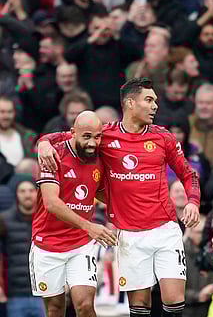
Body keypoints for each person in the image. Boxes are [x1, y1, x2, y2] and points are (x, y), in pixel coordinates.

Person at [38, 77, 201, 317]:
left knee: (174, 300)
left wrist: (193, 202)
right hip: (128, 233)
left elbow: (189, 174)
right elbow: (66, 137)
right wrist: (43, 143)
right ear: (130, 103)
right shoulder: (104, 135)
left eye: (155, 100)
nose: (155, 106)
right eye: (149, 100)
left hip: (165, 229)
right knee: (140, 305)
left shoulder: (163, 137)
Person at [31, 111, 117, 317]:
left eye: (97, 137)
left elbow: (101, 192)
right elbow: (52, 203)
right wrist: (89, 226)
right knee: (55, 309)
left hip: (81, 244)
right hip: (47, 244)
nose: (93, 143)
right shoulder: (53, 155)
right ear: (72, 133)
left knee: (85, 306)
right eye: (86, 136)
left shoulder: (99, 156)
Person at [0, 179, 45, 317]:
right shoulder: (4, 220)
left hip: (44, 292)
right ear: (16, 195)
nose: (27, 194)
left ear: (37, 193)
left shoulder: (47, 219)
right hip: (15, 294)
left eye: (31, 190)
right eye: (22, 191)